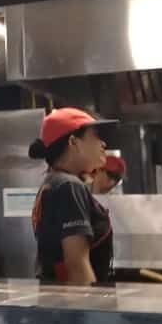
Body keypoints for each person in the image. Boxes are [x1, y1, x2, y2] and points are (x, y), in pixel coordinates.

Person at [29, 108, 117, 285]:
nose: (103, 144)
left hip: (59, 298)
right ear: (73, 142)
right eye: (95, 136)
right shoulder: (69, 186)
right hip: (75, 299)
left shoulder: (54, 182)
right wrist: (92, 302)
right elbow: (77, 266)